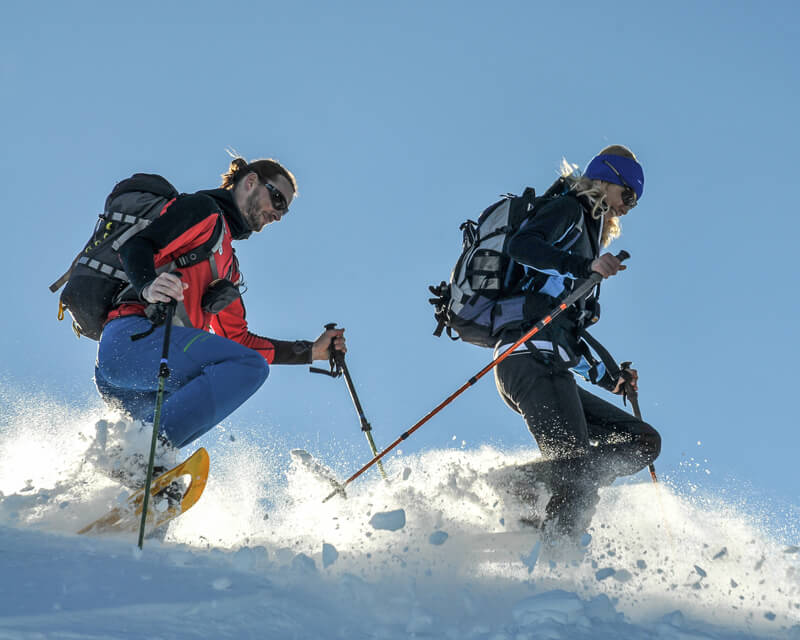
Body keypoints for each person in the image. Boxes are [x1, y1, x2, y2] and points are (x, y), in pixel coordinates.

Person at [93, 156, 346, 484]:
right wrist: (148, 285)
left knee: (148, 479)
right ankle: (143, 458)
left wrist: (312, 352)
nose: (278, 215)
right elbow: (136, 247)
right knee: (250, 368)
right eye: (277, 199)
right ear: (250, 182)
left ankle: (115, 496)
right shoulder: (204, 212)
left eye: (285, 211)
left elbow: (239, 341)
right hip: (134, 340)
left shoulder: (227, 266)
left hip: (140, 379)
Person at [493, 145, 661, 541]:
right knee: (577, 471)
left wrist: (610, 378)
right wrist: (583, 266)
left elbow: (565, 327)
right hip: (529, 357)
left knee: (641, 441)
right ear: (607, 179)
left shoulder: (587, 237)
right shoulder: (569, 210)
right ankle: (555, 550)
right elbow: (523, 246)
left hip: (548, 361)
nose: (628, 207)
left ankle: (534, 521)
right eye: (628, 195)